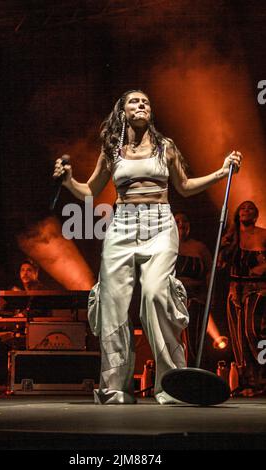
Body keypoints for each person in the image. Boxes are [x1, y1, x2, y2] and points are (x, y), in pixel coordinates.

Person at [54, 89, 242, 405]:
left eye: (146, 102)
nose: (141, 104)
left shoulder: (164, 147)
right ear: (123, 111)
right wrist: (68, 180)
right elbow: (90, 190)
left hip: (159, 222)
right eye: (134, 101)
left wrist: (221, 173)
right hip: (123, 222)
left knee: (157, 293)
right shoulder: (112, 150)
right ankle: (115, 387)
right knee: (113, 302)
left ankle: (172, 384)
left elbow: (184, 185)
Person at [219, 201, 266, 395]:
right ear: (238, 214)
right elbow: (220, 265)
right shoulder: (231, 237)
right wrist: (222, 247)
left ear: (255, 215)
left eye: (250, 208)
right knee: (238, 338)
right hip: (235, 288)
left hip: (258, 288)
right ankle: (248, 381)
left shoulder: (263, 234)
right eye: (243, 208)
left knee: (252, 331)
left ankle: (263, 376)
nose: (246, 210)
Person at [174, 212, 213, 365]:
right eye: (177, 221)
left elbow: (210, 271)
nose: (181, 224)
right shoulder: (164, 245)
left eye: (185, 221)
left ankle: (191, 376)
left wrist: (209, 295)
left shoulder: (199, 247)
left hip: (196, 298)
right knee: (171, 339)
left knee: (193, 340)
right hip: (171, 298)